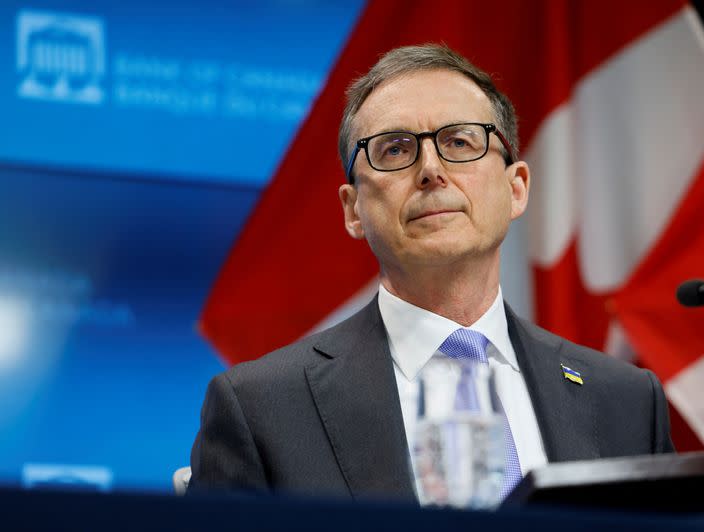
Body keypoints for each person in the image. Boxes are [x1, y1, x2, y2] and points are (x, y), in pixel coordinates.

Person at [189, 44, 674, 501]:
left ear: (517, 187)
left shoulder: (627, 401)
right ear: (353, 209)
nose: (431, 169)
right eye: (395, 150)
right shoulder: (261, 409)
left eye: (460, 141)